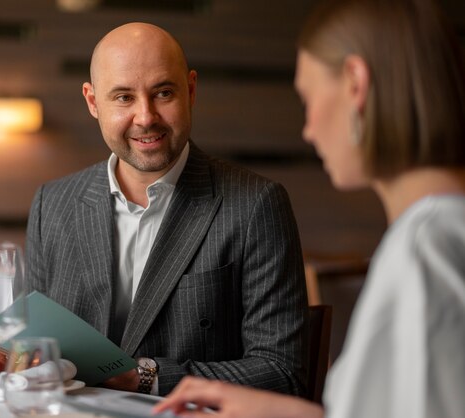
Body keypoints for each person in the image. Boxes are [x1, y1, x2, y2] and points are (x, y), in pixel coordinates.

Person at [154, 0, 465, 416]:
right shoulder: (441, 232)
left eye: (309, 98)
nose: (308, 129)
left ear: (355, 84)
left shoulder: (426, 248)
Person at [24, 22, 309, 396]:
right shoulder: (52, 205)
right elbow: (36, 346)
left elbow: (282, 372)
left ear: (190, 90)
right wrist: (18, 357)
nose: (145, 117)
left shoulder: (257, 204)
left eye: (162, 93)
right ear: (93, 102)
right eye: (123, 97)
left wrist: (141, 376)